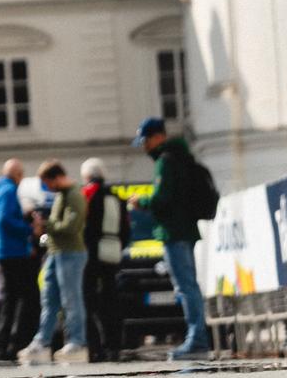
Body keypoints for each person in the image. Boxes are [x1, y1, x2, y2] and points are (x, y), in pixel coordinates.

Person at [136, 117, 214, 359]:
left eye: (146, 141)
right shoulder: (182, 157)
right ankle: (198, 338)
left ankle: (197, 340)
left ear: (158, 137)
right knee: (189, 285)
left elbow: (162, 198)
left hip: (173, 231)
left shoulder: (166, 161)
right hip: (186, 229)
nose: (144, 146)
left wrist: (142, 201)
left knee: (185, 287)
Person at [23, 161, 89, 365]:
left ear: (57, 177)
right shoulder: (62, 195)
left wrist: (45, 224)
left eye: (48, 183)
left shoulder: (74, 195)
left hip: (70, 252)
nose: (48, 187)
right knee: (49, 298)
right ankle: (42, 341)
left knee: (71, 299)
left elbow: (71, 226)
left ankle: (77, 342)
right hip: (56, 251)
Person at [0, 159, 38, 362]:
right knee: (23, 298)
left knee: (10, 299)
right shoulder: (8, 191)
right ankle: (13, 342)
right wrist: (28, 228)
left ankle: (5, 344)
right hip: (14, 252)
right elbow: (4, 220)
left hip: (4, 251)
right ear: (18, 175)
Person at [82, 158, 129, 361]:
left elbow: (83, 224)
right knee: (112, 299)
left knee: (89, 299)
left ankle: (95, 345)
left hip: (91, 254)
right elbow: (126, 229)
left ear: (86, 176)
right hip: (113, 253)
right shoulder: (117, 196)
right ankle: (114, 344)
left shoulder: (87, 193)